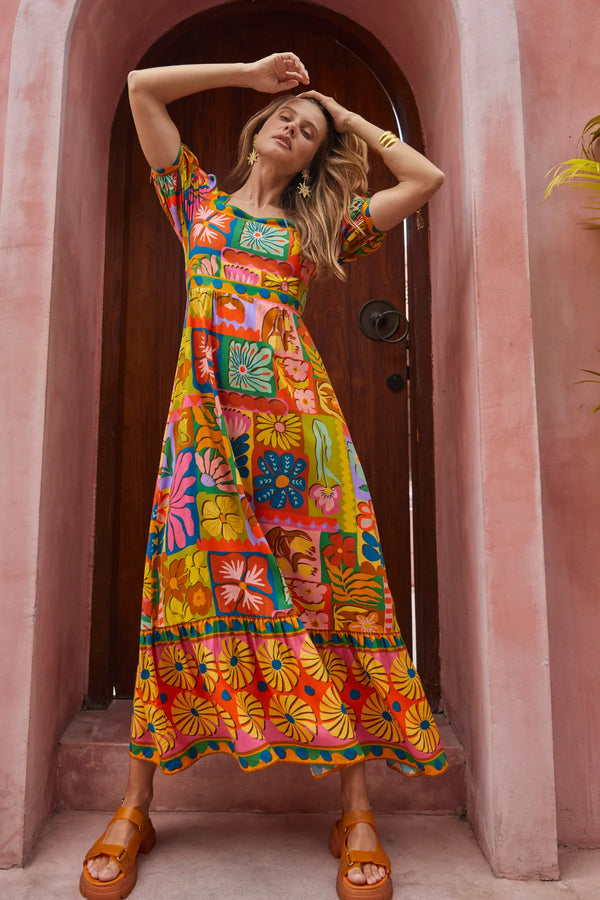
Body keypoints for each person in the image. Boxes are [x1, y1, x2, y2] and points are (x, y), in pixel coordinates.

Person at [80, 52, 446, 900]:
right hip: (206, 438)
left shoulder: (318, 231)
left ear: (318, 156)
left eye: (309, 130)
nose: (295, 126)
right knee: (182, 592)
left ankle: (356, 809)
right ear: (258, 128)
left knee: (332, 595)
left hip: (302, 439)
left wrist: (347, 120)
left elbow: (423, 179)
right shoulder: (195, 202)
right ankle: (138, 805)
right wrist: (252, 74)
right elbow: (139, 88)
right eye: (289, 117)